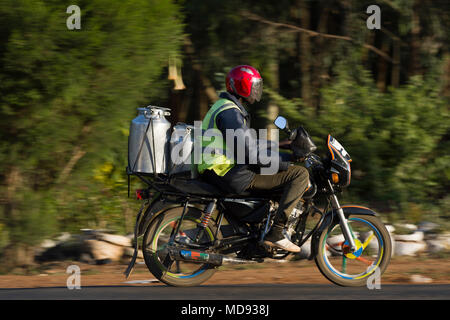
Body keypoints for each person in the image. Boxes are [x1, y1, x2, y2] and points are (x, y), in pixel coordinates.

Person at [197, 65, 309, 252]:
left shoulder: (225, 107)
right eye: (254, 85)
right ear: (241, 86)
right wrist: (284, 162)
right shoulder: (230, 112)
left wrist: (280, 146)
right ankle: (277, 233)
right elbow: (249, 154)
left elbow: (247, 143)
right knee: (299, 174)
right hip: (227, 171)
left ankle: (257, 232)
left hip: (217, 170)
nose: (257, 90)